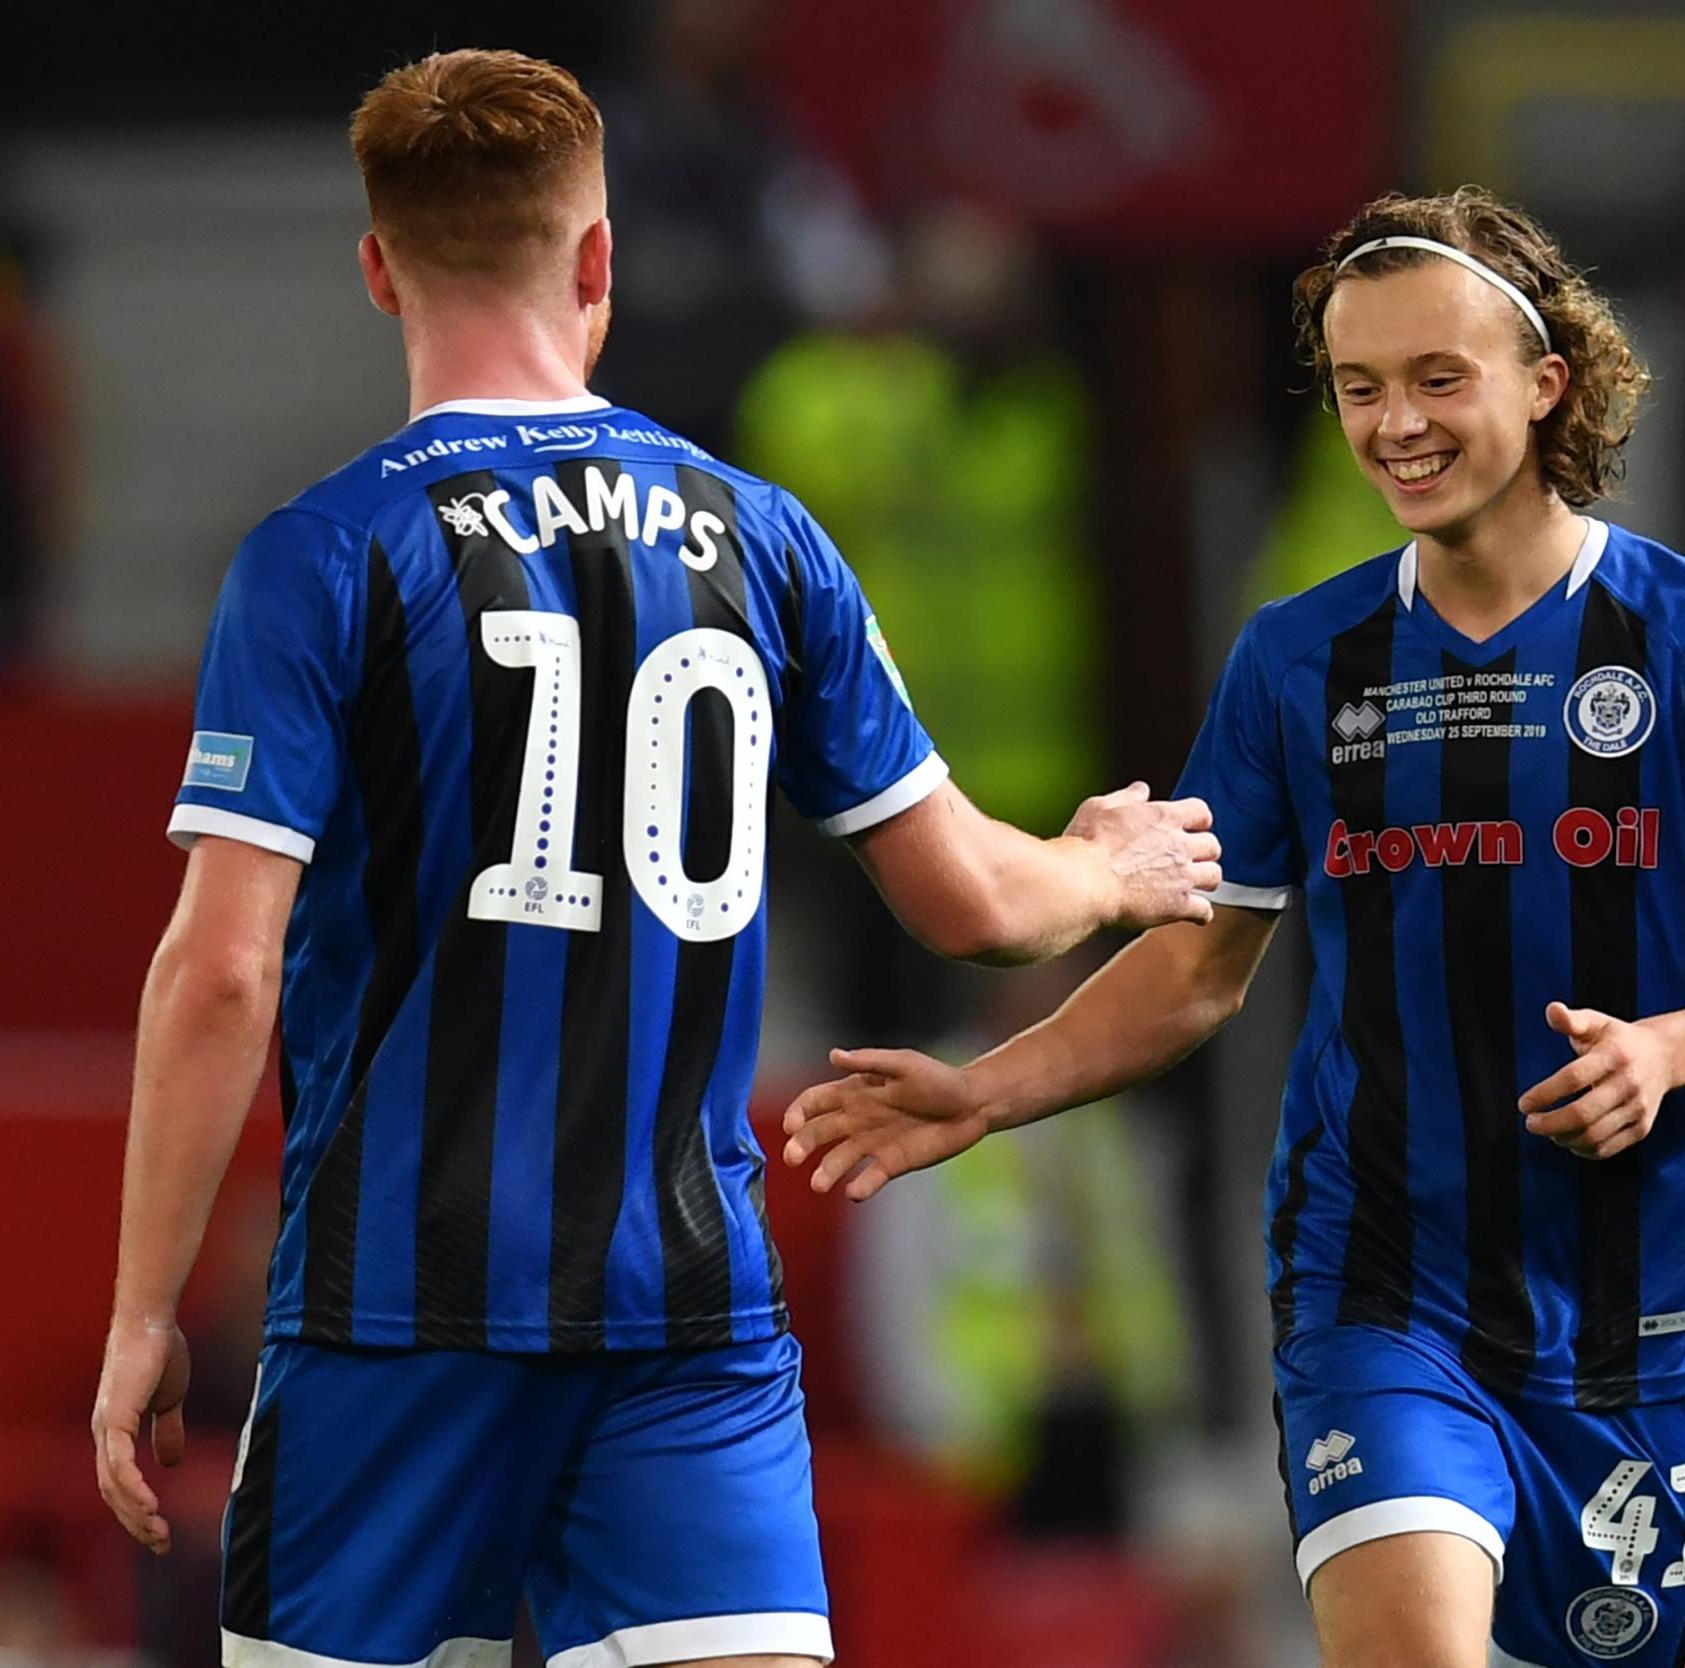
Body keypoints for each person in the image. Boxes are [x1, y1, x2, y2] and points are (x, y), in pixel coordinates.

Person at [87, 49, 1221, 1668]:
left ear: (377, 270)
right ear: (599, 261)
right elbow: (976, 905)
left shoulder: (323, 556)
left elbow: (222, 967)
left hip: (393, 1322)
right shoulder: (763, 538)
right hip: (683, 1320)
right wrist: (1107, 862)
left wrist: (145, 1310)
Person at [784, 186, 1685, 1668]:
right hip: (1379, 1290)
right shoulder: (1300, 661)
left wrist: (1672, 1051)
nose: (1395, 427)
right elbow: (1193, 973)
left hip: (1640, 1317)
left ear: (1546, 382)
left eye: (1439, 379)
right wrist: (988, 1093)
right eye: (1361, 388)